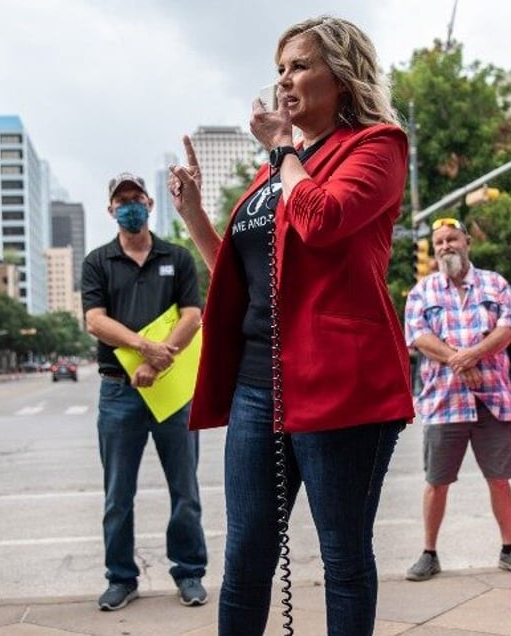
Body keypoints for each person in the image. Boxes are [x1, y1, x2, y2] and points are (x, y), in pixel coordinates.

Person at [168, 16, 414, 636]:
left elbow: (324, 220)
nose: (284, 81)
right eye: (279, 69)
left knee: (343, 558)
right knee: (246, 557)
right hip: (259, 385)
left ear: (342, 73)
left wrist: (281, 153)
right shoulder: (280, 166)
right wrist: (196, 214)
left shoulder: (376, 146)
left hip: (339, 385)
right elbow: (242, 269)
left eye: (300, 66)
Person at [82, 172, 208, 611]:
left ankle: (189, 573)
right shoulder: (98, 261)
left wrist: (161, 358)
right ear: (110, 209)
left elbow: (193, 314)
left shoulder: (178, 257)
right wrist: (143, 348)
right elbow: (95, 321)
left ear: (150, 204)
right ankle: (121, 578)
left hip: (172, 389)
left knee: (185, 489)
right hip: (119, 393)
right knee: (118, 494)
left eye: (136, 198)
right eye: (121, 200)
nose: (129, 205)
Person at [403, 217, 511, 581]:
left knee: (500, 478)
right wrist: (461, 361)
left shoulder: (496, 284)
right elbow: (419, 337)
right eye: (439, 241)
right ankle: (429, 553)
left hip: (493, 400)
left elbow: (509, 329)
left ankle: (509, 549)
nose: (445, 246)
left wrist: (472, 355)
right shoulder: (422, 292)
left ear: (467, 241)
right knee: (436, 481)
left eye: (452, 239)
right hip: (444, 403)